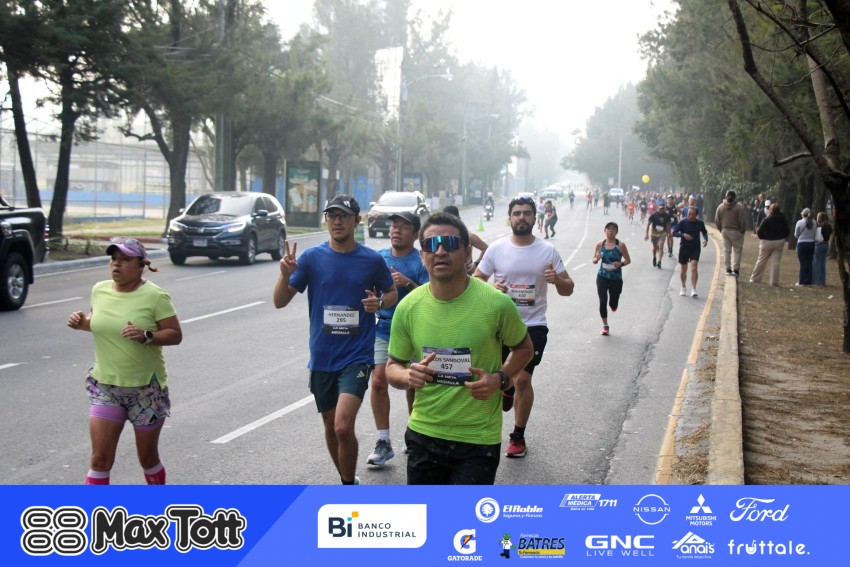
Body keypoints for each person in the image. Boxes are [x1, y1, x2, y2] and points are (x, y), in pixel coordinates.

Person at [385, 212, 534, 484]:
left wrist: (500, 379)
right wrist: (407, 375)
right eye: (431, 244)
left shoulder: (496, 304)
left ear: (467, 252)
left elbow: (524, 348)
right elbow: (392, 367)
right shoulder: (408, 307)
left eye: (450, 243)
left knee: (464, 513)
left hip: (477, 438)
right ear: (422, 254)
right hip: (424, 433)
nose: (440, 251)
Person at [273, 194, 397, 485]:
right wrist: (284, 276)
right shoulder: (311, 258)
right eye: (331, 215)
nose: (337, 221)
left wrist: (379, 303)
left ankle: (346, 488)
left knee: (342, 425)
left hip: (357, 356)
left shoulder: (371, 260)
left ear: (357, 221)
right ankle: (347, 479)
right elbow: (280, 301)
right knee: (330, 426)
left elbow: (391, 292)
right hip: (322, 356)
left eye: (343, 216)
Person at [67, 237, 183, 485]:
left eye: (125, 259)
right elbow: (99, 322)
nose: (116, 264)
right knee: (99, 459)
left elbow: (175, 335)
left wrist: (146, 335)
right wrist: (82, 323)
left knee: (147, 458)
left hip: (146, 390)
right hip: (106, 386)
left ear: (141, 264)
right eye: (114, 259)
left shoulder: (155, 296)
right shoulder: (99, 290)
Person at [474, 196, 574, 458]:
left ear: (534, 217)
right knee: (504, 378)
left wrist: (557, 280)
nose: (521, 217)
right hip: (499, 325)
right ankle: (506, 389)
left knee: (523, 378)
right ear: (510, 217)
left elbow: (568, 289)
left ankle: (517, 436)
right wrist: (491, 288)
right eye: (517, 213)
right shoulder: (496, 249)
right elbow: (476, 280)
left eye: (527, 213)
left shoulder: (547, 251)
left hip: (533, 325)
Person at [367, 212, 429, 467]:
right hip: (384, 328)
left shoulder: (421, 261)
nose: (396, 231)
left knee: (414, 382)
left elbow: (431, 295)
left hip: (414, 330)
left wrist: (408, 283)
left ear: (415, 234)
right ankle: (383, 441)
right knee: (378, 380)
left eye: (404, 227)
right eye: (394, 226)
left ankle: (415, 432)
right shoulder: (378, 258)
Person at [592, 222, 632, 335]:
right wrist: (596, 259)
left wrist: (620, 264)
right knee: (602, 301)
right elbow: (594, 260)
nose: (610, 231)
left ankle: (613, 304)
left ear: (616, 232)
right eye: (608, 229)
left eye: (613, 229)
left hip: (616, 278)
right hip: (602, 277)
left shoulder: (621, 245)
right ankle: (605, 325)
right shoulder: (600, 244)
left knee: (613, 303)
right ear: (605, 231)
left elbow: (628, 260)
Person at [749, 203, 790, 286]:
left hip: (767, 241)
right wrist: (782, 236)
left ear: (770, 210)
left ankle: (755, 278)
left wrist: (763, 237)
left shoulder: (767, 219)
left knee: (761, 261)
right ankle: (773, 282)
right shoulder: (783, 219)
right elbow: (787, 231)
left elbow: (759, 231)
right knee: (775, 262)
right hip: (779, 241)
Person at [672, 206, 709, 298]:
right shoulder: (683, 222)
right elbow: (674, 233)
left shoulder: (700, 223)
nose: (691, 216)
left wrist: (706, 239)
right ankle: (683, 287)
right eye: (689, 214)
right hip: (684, 247)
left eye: (693, 214)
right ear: (687, 214)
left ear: (696, 215)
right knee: (683, 269)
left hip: (695, 248)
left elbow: (704, 232)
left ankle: (693, 289)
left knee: (694, 267)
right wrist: (684, 235)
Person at [443, 205, 488, 273]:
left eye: (452, 221)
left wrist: (476, 264)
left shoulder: (468, 236)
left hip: (465, 276)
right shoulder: (439, 238)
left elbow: (486, 249)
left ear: (459, 219)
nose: (449, 224)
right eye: (446, 221)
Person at [714, 190, 748, 276]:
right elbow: (743, 221)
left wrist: (721, 229)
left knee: (726, 250)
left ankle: (728, 269)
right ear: (735, 197)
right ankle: (736, 270)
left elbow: (717, 220)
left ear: (726, 196)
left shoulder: (720, 207)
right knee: (737, 251)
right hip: (736, 231)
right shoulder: (739, 208)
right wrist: (742, 231)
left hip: (725, 230)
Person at [793, 207, 818, 286]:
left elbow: (796, 234)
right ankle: (809, 281)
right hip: (811, 243)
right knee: (809, 263)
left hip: (802, 243)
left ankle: (802, 281)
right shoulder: (814, 222)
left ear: (803, 215)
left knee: (803, 263)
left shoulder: (799, 222)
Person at [645, 202, 672, 269]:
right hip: (654, 233)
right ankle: (654, 257)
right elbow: (648, 224)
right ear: (658, 208)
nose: (661, 210)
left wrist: (669, 233)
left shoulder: (667, 216)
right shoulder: (654, 215)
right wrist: (646, 234)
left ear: (664, 208)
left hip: (663, 233)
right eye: (660, 208)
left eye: (663, 208)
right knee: (655, 247)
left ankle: (660, 261)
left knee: (661, 246)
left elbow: (668, 225)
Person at [813, 211, 833, 286]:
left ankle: (817, 281)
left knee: (817, 263)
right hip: (826, 244)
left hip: (818, 244)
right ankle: (822, 281)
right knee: (823, 263)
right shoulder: (828, 226)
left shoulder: (818, 225)